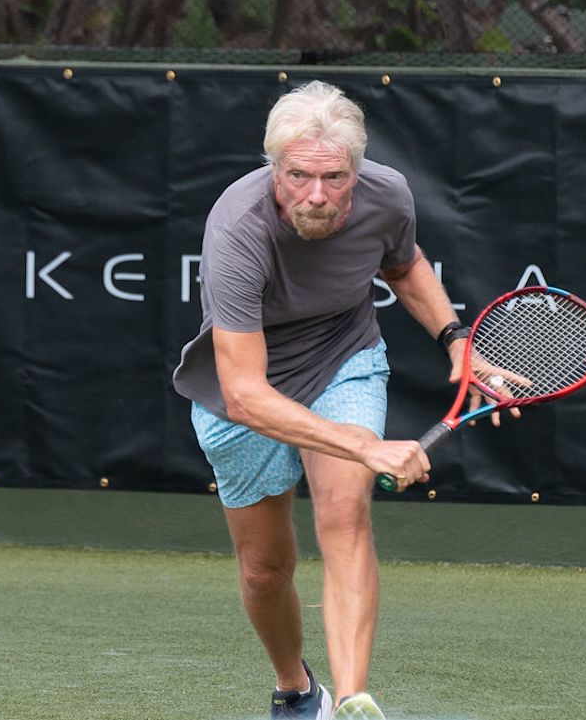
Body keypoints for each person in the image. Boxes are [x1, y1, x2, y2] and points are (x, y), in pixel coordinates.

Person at [173, 80, 516, 720]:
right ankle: (298, 690)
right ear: (274, 165)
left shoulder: (386, 194)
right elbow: (246, 394)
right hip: (250, 391)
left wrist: (456, 340)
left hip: (343, 358)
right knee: (263, 571)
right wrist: (366, 445)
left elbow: (404, 264)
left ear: (355, 169)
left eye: (334, 177)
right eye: (299, 175)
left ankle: (353, 700)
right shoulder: (236, 229)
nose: (316, 195)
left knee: (344, 510)